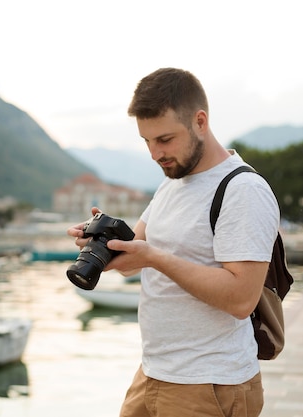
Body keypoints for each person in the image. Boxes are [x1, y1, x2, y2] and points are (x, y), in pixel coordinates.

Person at [67, 68, 279, 417]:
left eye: (164, 139)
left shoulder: (243, 190)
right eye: (147, 141)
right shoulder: (172, 182)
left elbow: (242, 299)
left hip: (210, 384)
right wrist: (102, 244)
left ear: (200, 121)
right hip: (153, 374)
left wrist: (154, 258)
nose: (155, 153)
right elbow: (136, 254)